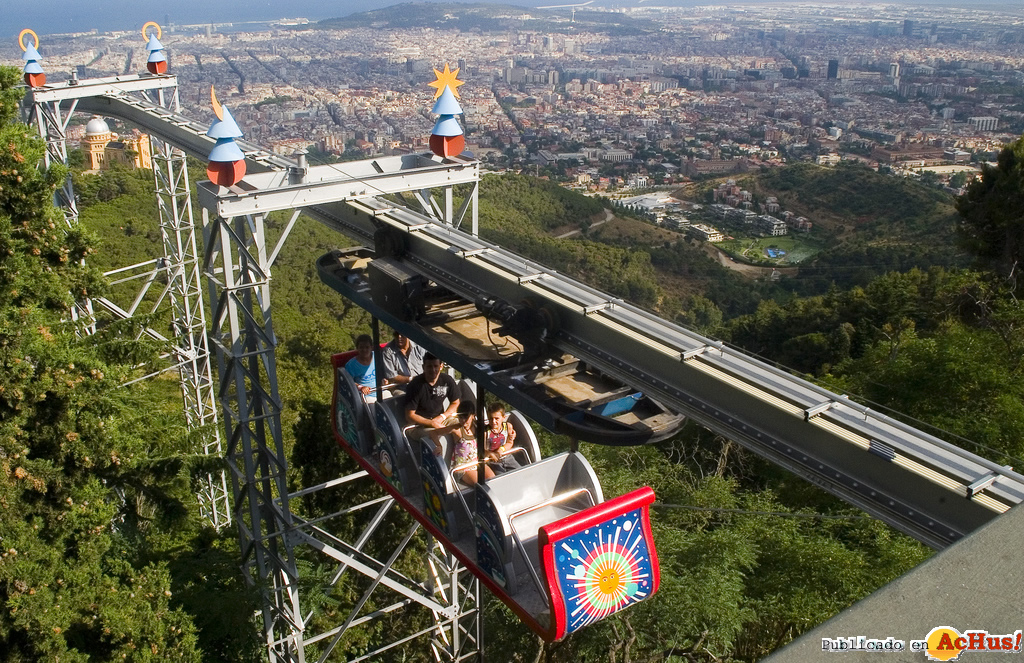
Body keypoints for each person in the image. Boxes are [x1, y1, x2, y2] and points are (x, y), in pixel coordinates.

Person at [431, 401, 494, 486]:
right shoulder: (457, 429)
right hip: (464, 468)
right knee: (481, 484)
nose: (463, 421)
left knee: (493, 480)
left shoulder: (478, 428)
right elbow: (433, 433)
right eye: (460, 418)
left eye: (466, 418)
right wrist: (439, 445)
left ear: (473, 416)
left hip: (477, 462)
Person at [404, 353, 460, 434]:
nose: (433, 370)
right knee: (434, 435)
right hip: (418, 426)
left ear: (441, 366)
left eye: (435, 366)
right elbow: (409, 416)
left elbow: (456, 402)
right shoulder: (415, 385)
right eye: (429, 366)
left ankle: (463, 446)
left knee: (459, 426)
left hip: (440, 420)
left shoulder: (447, 380)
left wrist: (442, 417)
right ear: (423, 367)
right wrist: (431, 423)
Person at [344, 334, 388, 399]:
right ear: (357, 348)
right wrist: (360, 387)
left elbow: (385, 372)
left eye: (367, 347)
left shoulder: (378, 357)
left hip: (382, 391)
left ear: (371, 347)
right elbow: (348, 382)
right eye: (361, 347)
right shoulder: (351, 365)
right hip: (366, 395)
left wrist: (385, 381)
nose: (364, 350)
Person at [485, 402, 521, 472]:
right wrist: (490, 454)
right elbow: (482, 449)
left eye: (496, 418)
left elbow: (510, 443)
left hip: (507, 457)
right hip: (493, 461)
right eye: (490, 418)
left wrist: (502, 449)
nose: (493, 422)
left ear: (503, 418)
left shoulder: (508, 427)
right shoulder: (485, 432)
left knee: (520, 471)